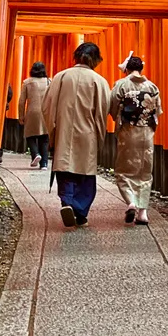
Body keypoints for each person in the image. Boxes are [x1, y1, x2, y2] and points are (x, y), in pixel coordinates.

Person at [42, 42, 111, 227]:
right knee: (85, 174)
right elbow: (103, 111)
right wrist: (100, 138)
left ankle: (67, 203)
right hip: (88, 134)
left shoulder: (61, 77)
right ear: (96, 59)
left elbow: (47, 107)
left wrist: (52, 130)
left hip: (64, 131)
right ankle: (80, 212)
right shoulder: (99, 81)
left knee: (65, 170)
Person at [109, 53, 162, 225]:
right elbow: (157, 111)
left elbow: (113, 106)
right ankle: (143, 213)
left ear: (128, 69)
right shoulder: (152, 87)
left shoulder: (122, 84)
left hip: (128, 131)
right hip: (147, 132)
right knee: (145, 172)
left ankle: (131, 202)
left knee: (123, 170)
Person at [19, 61, 51, 169]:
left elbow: (22, 101)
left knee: (30, 135)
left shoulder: (27, 82)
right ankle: (44, 164)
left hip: (32, 112)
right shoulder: (49, 82)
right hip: (46, 112)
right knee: (45, 138)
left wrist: (21, 116)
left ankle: (35, 154)